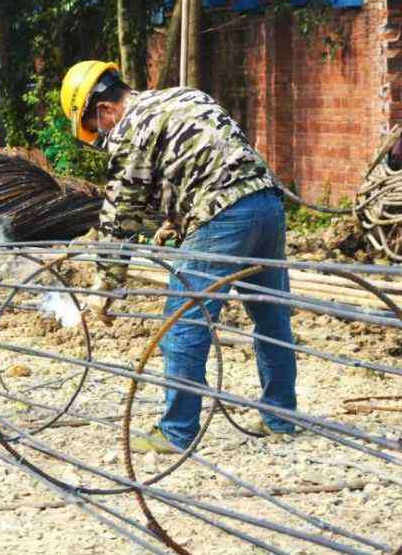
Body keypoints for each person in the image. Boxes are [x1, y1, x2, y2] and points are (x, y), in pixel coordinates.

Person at [60, 61, 298, 453]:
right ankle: (281, 417)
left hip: (221, 214)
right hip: (267, 204)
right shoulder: (186, 95)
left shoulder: (130, 131)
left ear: (103, 111)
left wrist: (105, 285)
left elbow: (120, 216)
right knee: (271, 315)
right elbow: (207, 158)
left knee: (187, 320)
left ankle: (176, 431)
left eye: (95, 130)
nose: (102, 138)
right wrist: (179, 219)